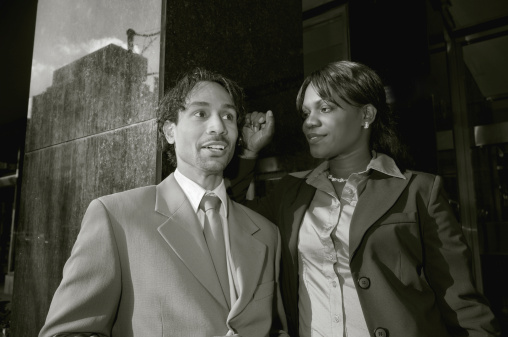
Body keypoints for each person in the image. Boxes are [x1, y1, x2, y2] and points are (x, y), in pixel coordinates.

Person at [231, 60, 501, 336]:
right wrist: (248, 154)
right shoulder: (291, 192)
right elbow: (229, 213)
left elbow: (462, 305)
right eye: (305, 113)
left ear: (366, 115)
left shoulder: (419, 190)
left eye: (325, 108)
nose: (309, 122)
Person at [39, 68, 288, 337]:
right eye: (201, 113)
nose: (218, 126)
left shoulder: (267, 234)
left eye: (228, 116)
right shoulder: (116, 217)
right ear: (170, 130)